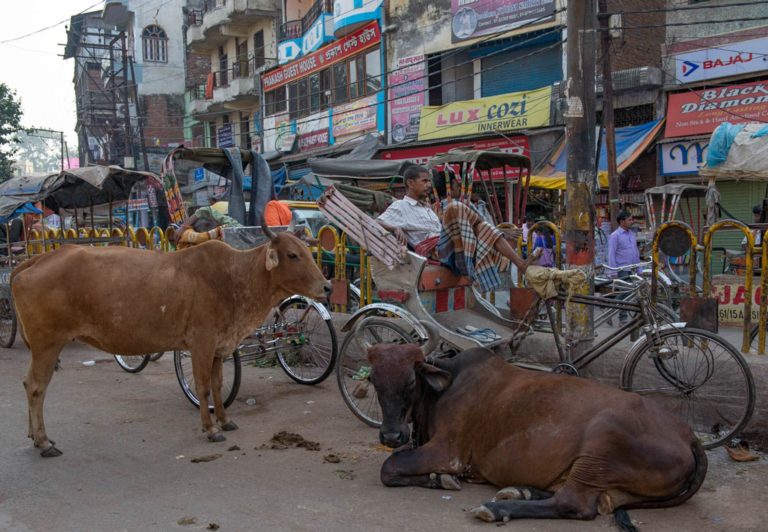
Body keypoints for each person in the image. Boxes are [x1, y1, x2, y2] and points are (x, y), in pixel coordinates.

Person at [377, 165, 537, 293]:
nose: (428, 185)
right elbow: (376, 222)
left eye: (428, 182)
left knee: (485, 228)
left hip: (448, 247)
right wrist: (395, 228)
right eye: (424, 181)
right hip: (433, 252)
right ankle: (470, 257)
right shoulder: (400, 206)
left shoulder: (427, 208)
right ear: (410, 183)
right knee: (455, 207)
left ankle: (520, 263)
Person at [607, 210, 640, 324]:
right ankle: (622, 317)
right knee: (625, 293)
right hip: (621, 269)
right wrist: (612, 271)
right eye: (629, 219)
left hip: (632, 268)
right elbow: (611, 254)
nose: (632, 222)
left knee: (628, 293)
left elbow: (635, 252)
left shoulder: (631, 234)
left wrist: (638, 268)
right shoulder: (615, 236)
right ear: (622, 221)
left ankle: (609, 309)